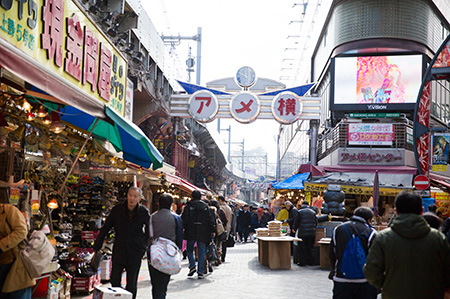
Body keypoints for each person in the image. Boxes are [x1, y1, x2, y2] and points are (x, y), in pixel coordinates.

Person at [364, 191, 450, 299]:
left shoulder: (383, 238)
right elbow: (447, 273)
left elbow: (371, 272)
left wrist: (387, 284)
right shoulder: (437, 238)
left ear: (396, 212)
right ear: (422, 211)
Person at [93, 187, 149, 299]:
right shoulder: (117, 209)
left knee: (132, 282)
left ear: (139, 198)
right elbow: (106, 227)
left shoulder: (143, 212)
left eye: (135, 196)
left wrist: (143, 246)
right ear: (127, 196)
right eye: (130, 195)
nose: (132, 198)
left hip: (135, 251)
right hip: (119, 248)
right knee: (115, 279)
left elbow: (149, 231)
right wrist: (97, 245)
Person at [329, 207, 378, 299]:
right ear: (368, 219)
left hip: (341, 279)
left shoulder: (338, 229)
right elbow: (375, 258)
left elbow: (332, 253)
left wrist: (333, 270)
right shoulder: (371, 232)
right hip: (364, 281)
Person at [148, 193, 183, 299]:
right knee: (163, 284)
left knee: (155, 283)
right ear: (171, 204)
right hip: (169, 253)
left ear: (158, 204)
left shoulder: (152, 217)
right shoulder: (176, 218)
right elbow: (179, 236)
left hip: (153, 253)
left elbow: (148, 236)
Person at [0, 203, 34, 298]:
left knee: (18, 293)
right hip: (2, 263)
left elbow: (22, 231)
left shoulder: (9, 210)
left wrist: (1, 246)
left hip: (15, 262)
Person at [181, 190, 215, 279]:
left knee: (189, 250)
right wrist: (212, 230)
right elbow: (210, 220)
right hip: (203, 231)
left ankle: (192, 265)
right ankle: (200, 272)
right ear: (200, 197)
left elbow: (184, 219)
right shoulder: (206, 207)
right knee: (201, 251)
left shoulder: (188, 206)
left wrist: (184, 228)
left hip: (191, 231)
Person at [293, 201, 318, 266]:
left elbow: (296, 222)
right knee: (310, 248)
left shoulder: (300, 212)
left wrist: (294, 229)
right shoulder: (313, 212)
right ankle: (311, 262)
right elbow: (316, 222)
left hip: (303, 233)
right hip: (312, 233)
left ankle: (302, 262)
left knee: (302, 248)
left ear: (302, 205)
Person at [218, 196, 232, 262]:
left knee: (219, 243)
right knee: (224, 244)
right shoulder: (229, 208)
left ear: (220, 200)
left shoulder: (220, 208)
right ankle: (223, 257)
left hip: (220, 228)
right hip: (227, 228)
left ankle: (218, 257)